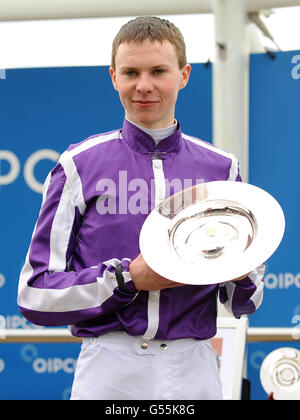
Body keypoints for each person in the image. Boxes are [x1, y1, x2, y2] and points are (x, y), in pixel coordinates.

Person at [17, 16, 265, 400]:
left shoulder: (221, 167)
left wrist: (242, 270)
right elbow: (34, 295)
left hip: (194, 368)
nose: (144, 85)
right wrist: (127, 279)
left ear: (183, 75)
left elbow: (243, 300)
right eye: (131, 72)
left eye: (158, 71)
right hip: (109, 367)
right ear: (114, 76)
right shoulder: (78, 165)